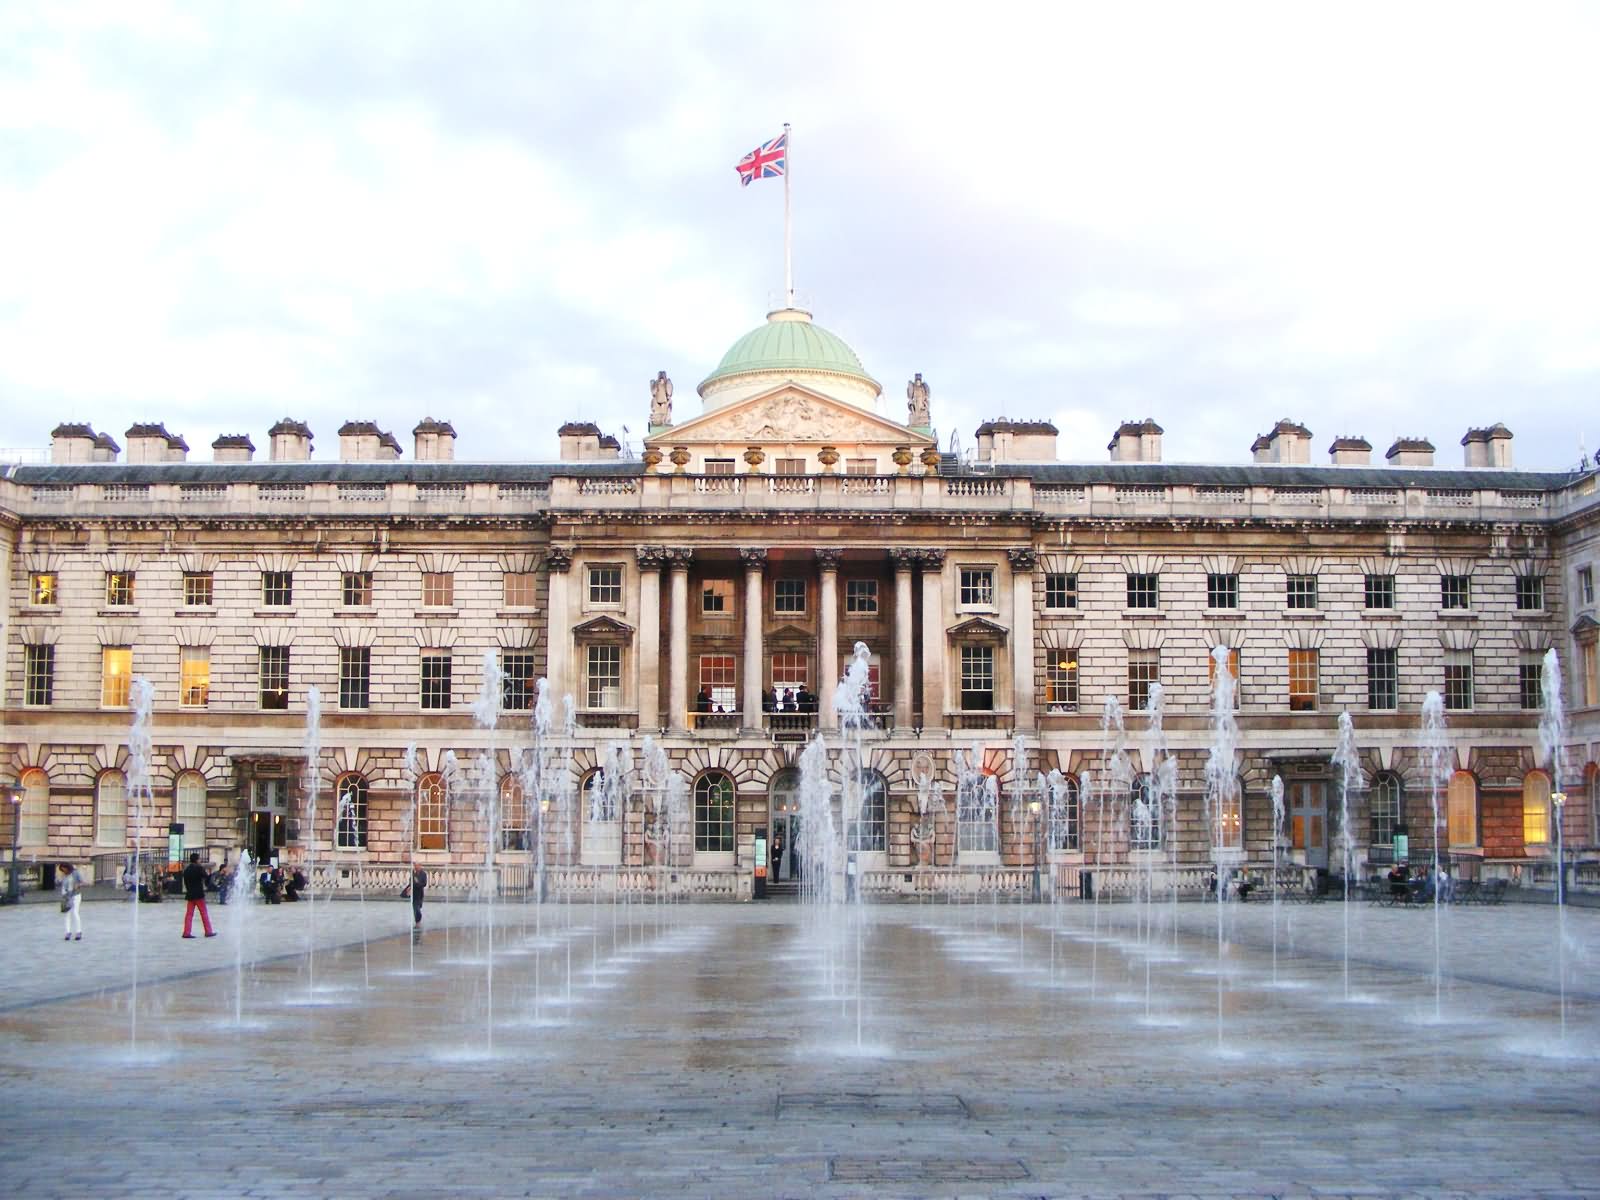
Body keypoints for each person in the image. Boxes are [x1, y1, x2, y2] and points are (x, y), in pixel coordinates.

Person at [181, 851, 217, 938]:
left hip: (190, 894)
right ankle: (208, 931)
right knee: (204, 913)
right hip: (199, 894)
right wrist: (211, 875)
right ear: (197, 860)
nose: (200, 860)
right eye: (199, 859)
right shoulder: (199, 868)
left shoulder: (187, 870)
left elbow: (185, 882)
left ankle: (186, 932)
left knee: (189, 914)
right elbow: (206, 878)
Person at [59, 861, 84, 941]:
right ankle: (68, 932)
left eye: (64, 869)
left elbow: (82, 882)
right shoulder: (64, 875)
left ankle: (78, 932)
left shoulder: (75, 873)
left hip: (76, 895)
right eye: (62, 870)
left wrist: (78, 885)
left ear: (67, 867)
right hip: (67, 896)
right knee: (67, 914)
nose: (64, 871)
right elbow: (63, 885)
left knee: (75, 912)